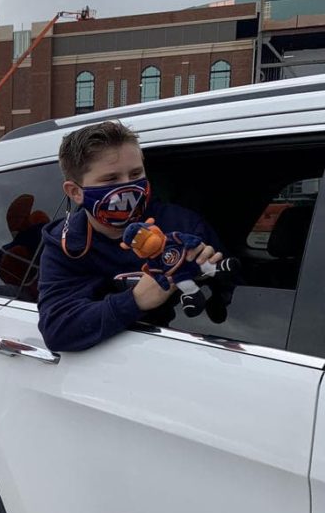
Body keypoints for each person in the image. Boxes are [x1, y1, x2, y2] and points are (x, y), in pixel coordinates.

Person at [36, 120, 224, 352]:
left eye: (136, 173)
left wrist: (209, 272)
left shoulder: (183, 225)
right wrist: (135, 299)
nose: (128, 186)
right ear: (75, 192)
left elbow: (234, 297)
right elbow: (57, 329)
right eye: (111, 179)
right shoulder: (67, 245)